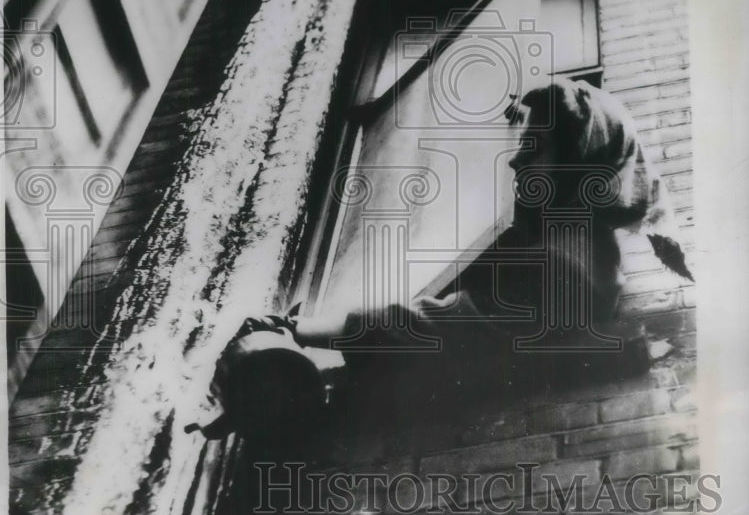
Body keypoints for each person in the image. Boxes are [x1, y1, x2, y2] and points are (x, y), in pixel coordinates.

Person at [196, 78, 693, 439]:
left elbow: (427, 325)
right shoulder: (562, 235)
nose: (517, 159)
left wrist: (296, 327)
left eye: (534, 147)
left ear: (575, 165)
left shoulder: (565, 268)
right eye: (521, 143)